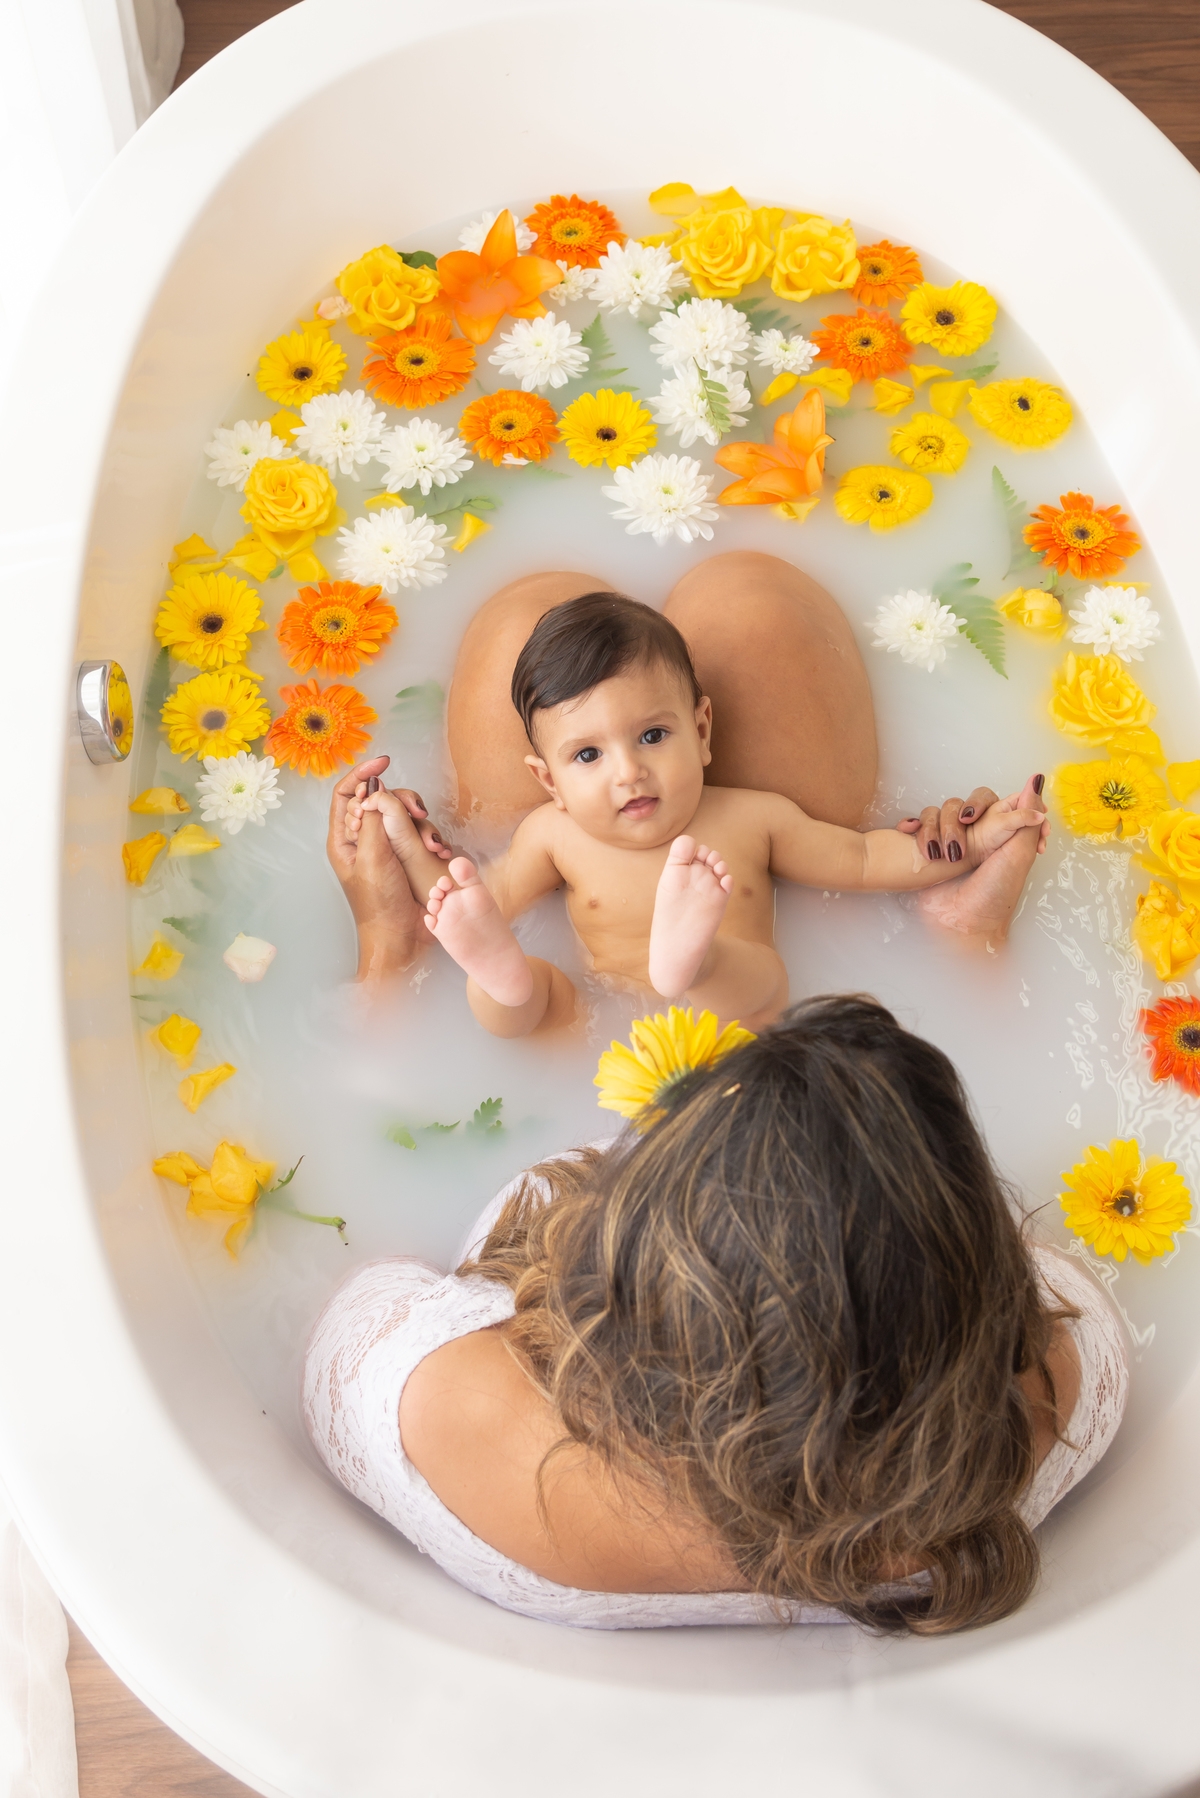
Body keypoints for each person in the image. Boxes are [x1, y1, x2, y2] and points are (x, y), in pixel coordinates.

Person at [302, 993, 1127, 1632]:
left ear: (636, 1318)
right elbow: (1036, 1274)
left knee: (538, 1193)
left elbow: (367, 1303)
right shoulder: (1063, 1377)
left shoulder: (455, 1410)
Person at [336, 560, 1048, 1033]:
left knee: (757, 980)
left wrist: (972, 843)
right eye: (588, 755)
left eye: (652, 736)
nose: (629, 774)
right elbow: (473, 898)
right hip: (598, 1019)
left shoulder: (750, 816)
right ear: (547, 780)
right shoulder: (553, 836)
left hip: (725, 1021)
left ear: (702, 730)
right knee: (517, 997)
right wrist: (412, 852)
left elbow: (863, 860)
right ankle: (505, 977)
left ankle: (693, 961)